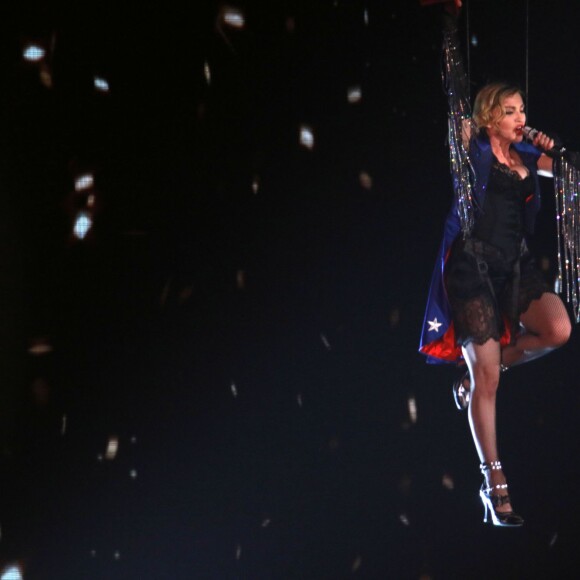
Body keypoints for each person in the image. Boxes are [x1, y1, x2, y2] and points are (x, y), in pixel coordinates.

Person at [419, 0, 573, 527]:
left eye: (522, 110)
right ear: (490, 116)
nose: (520, 118)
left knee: (558, 329)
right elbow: (453, 88)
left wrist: (560, 150)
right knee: (486, 379)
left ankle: (489, 365)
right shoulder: (473, 147)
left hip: (515, 268)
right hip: (472, 269)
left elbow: (574, 173)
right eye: (510, 111)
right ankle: (494, 482)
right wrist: (448, 26)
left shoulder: (530, 157)